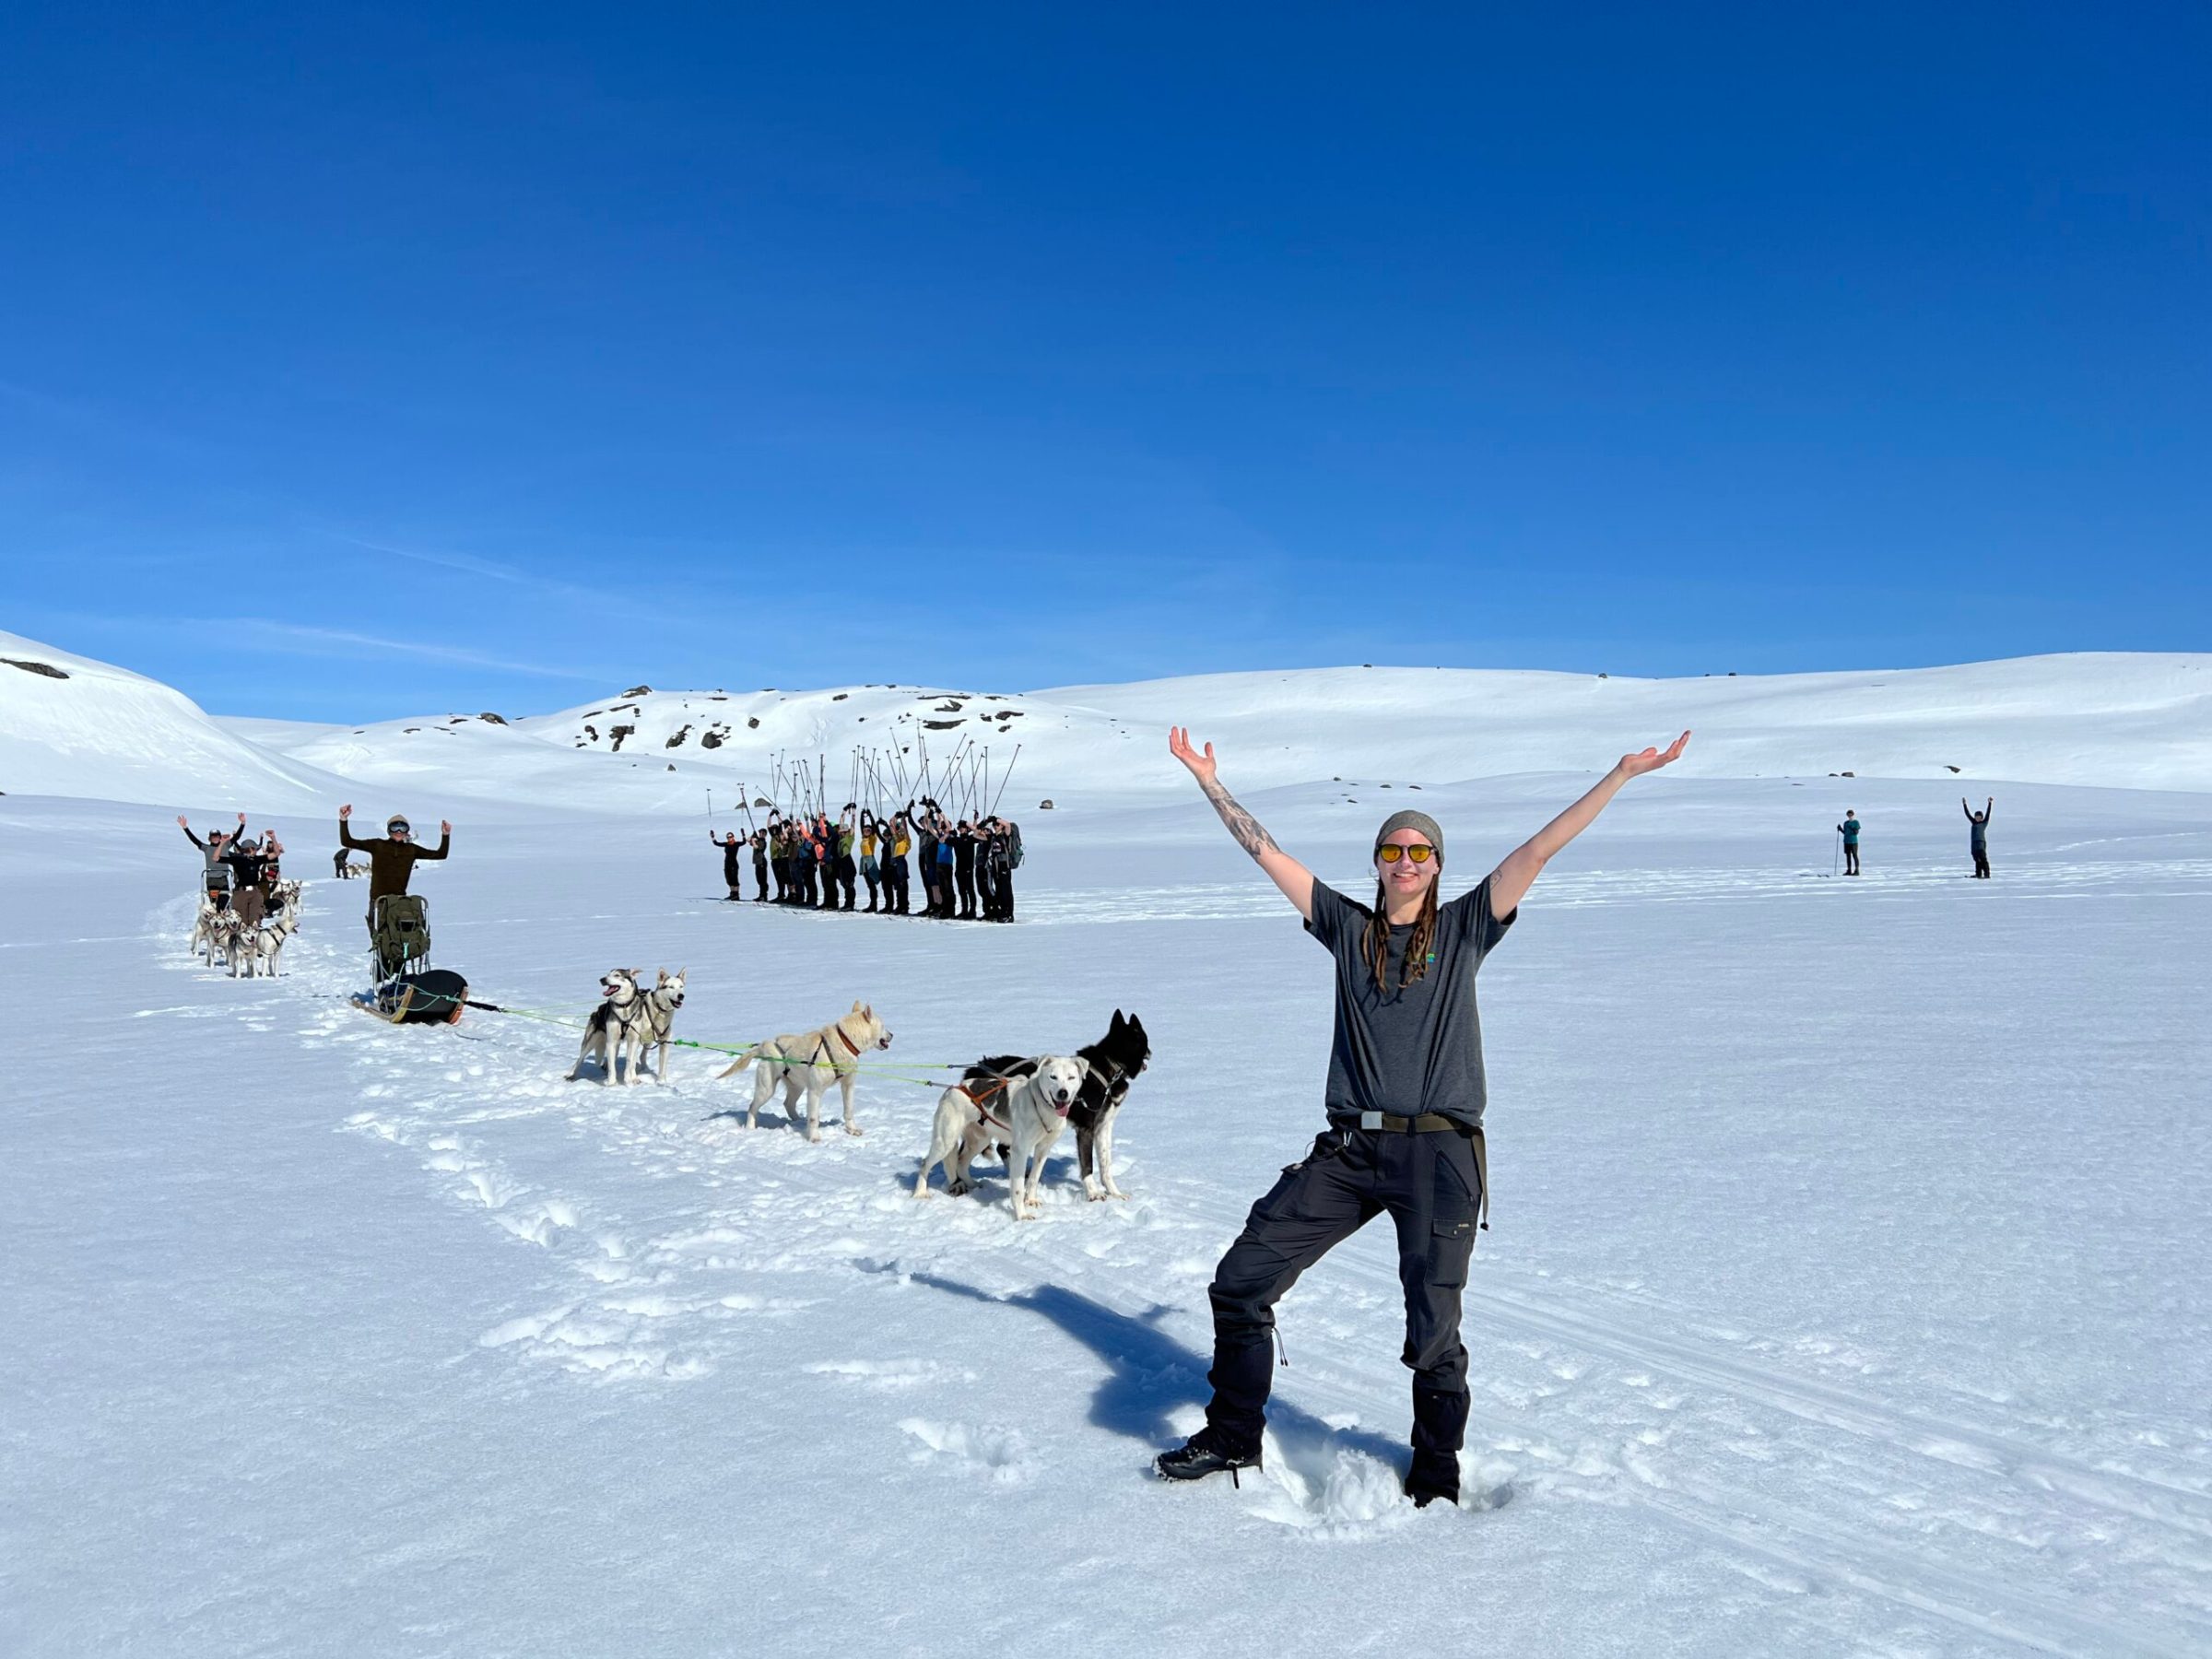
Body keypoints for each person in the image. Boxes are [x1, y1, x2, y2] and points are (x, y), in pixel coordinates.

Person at [1152, 723, 1690, 1508]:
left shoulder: (1467, 929)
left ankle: (1436, 1475)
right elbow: (1263, 851)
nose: (1406, 862)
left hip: (1439, 1157)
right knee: (1241, 1282)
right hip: (1349, 1152)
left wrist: (1619, 774)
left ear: (1437, 868)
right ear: (1376, 864)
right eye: (1392, 850)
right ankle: (1235, 1435)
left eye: (1420, 851)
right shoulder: (1347, 930)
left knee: (1432, 1329)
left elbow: (1536, 851)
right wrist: (1209, 781)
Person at [337, 806, 452, 952]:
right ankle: (381, 974)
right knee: (380, 940)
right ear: (389, 830)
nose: (398, 832)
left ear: (407, 831)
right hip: (378, 901)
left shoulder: (411, 849)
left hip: (399, 903)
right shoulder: (378, 845)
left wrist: (445, 835)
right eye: (394, 828)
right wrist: (343, 819)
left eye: (402, 828)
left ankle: (401, 972)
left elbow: (440, 854)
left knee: (400, 939)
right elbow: (347, 841)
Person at [179, 815, 234, 910]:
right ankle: (215, 918)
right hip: (211, 878)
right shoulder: (206, 848)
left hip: (223, 877)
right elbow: (195, 841)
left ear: (220, 838)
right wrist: (185, 828)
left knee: (225, 899)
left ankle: (224, 916)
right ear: (210, 839)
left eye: (217, 836)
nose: (215, 838)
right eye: (213, 837)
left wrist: (242, 824)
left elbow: (235, 838)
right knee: (214, 901)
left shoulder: (226, 846)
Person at [953, 819, 979, 919]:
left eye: (962, 827)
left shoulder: (971, 838)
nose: (961, 829)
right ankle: (964, 910)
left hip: (968, 868)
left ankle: (972, 911)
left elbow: (977, 832)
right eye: (959, 827)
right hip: (959, 868)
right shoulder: (957, 840)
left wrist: (971, 822)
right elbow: (942, 839)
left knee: (970, 890)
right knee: (962, 891)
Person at [1963, 797, 1994, 878]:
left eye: (1979, 817)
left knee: (1983, 858)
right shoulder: (1973, 822)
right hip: (1974, 844)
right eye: (1976, 817)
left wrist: (1990, 803)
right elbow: (1967, 814)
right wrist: (1964, 804)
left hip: (1981, 842)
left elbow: (1988, 813)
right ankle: (1978, 874)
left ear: (1982, 818)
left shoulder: (1984, 823)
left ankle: (1987, 874)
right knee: (1977, 859)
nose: (1977, 818)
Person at [712, 830, 745, 900]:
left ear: (733, 837)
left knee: (734, 879)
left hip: (734, 864)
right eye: (728, 837)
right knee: (728, 879)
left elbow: (744, 842)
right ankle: (732, 893)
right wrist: (713, 837)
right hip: (727, 864)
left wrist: (743, 835)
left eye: (730, 837)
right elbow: (716, 843)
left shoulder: (736, 844)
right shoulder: (726, 844)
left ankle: (736, 894)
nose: (729, 838)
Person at [1838, 810, 1861, 877]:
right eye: (1848, 815)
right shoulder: (1846, 823)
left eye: (1851, 815)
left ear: (1853, 815)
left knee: (1854, 855)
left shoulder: (1856, 822)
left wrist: (1853, 828)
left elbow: (1856, 832)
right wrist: (1840, 829)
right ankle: (1849, 870)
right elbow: (1845, 832)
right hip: (1846, 841)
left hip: (1853, 842)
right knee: (1848, 856)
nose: (1849, 816)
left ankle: (1857, 871)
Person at [749, 829, 770, 902]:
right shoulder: (758, 840)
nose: (761, 834)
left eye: (762, 833)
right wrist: (753, 835)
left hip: (762, 862)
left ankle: (764, 895)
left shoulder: (762, 842)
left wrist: (754, 841)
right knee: (759, 880)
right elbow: (748, 840)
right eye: (760, 833)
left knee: (762, 880)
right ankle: (761, 895)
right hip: (758, 862)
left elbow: (756, 847)